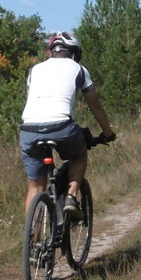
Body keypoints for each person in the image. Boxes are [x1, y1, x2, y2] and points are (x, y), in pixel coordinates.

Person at [20, 31, 116, 222]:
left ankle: (32, 244)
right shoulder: (79, 69)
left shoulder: (35, 70)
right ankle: (71, 196)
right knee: (79, 153)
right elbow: (95, 106)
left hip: (29, 129)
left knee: (35, 188)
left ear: (50, 52)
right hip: (62, 126)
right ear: (73, 52)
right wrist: (108, 133)